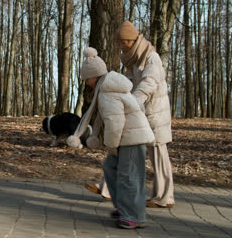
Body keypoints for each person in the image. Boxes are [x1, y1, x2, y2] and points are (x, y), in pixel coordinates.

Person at [67, 47, 155, 229]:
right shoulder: (108, 88)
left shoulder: (107, 91)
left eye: (87, 79)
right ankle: (124, 207)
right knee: (111, 168)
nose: (87, 82)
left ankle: (134, 215)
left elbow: (115, 123)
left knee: (129, 177)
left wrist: (111, 146)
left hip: (131, 139)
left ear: (94, 76)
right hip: (128, 137)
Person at [116, 20, 174, 208]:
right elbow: (130, 83)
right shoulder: (133, 60)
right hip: (141, 113)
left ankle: (165, 198)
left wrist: (133, 101)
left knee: (158, 153)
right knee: (127, 149)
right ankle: (110, 189)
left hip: (155, 113)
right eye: (119, 42)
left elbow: (149, 83)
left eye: (123, 42)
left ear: (132, 41)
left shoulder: (151, 58)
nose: (121, 46)